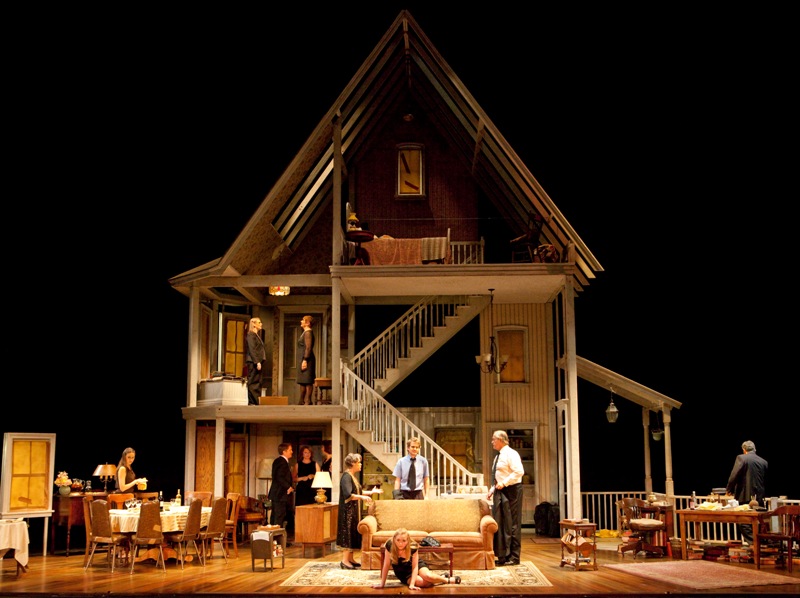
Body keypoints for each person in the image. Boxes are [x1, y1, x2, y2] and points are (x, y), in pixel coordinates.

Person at [372, 528, 459, 589]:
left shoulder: (413, 546)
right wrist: (382, 584)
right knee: (423, 583)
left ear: (408, 540)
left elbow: (415, 566)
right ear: (394, 539)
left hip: (416, 565)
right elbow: (386, 565)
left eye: (404, 541)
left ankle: (446, 580)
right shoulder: (389, 545)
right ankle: (440, 577)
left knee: (428, 576)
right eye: (398, 540)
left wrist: (412, 585)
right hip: (402, 572)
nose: (400, 543)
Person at [488, 430, 524, 566]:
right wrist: (492, 489)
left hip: (512, 490)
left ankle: (514, 557)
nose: (492, 442)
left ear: (501, 440)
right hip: (501, 490)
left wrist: (504, 483)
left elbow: (519, 471)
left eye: (494, 439)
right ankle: (503, 555)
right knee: (501, 522)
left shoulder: (511, 454)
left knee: (512, 523)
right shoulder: (498, 456)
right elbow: (498, 476)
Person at [726, 439, 768, 543]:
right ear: (755, 449)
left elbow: (734, 475)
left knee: (743, 521)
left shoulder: (741, 458)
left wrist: (729, 489)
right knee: (756, 521)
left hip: (745, 495)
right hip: (759, 497)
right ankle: (760, 543)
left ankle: (755, 543)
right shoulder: (763, 462)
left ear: (744, 450)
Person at [336, 452, 373, 569]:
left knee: (352, 533)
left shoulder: (352, 476)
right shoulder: (346, 477)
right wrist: (362, 497)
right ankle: (344, 561)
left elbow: (357, 492)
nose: (361, 464)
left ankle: (350, 559)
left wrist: (371, 492)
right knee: (348, 533)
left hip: (353, 511)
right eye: (359, 462)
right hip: (347, 512)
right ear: (352, 463)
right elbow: (348, 494)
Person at [268, 443, 295, 536]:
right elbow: (279, 477)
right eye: (290, 450)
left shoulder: (279, 461)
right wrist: (288, 487)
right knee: (279, 517)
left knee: (276, 516)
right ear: (284, 451)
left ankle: (274, 538)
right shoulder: (282, 462)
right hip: (280, 494)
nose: (292, 452)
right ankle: (276, 539)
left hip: (278, 494)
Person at [246, 317, 266, 405]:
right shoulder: (251, 335)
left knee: (258, 382)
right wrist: (257, 361)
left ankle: (256, 402)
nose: (261, 324)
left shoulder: (256, 335)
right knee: (253, 382)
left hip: (257, 362)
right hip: (253, 362)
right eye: (259, 322)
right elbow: (252, 349)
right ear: (254, 324)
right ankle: (252, 402)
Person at [296, 315, 316, 405]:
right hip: (303, 358)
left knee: (308, 381)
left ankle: (308, 400)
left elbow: (308, 347)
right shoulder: (305, 332)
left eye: (303, 320)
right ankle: (301, 400)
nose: (301, 321)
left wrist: (305, 360)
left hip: (307, 359)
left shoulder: (308, 333)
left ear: (307, 323)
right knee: (302, 381)